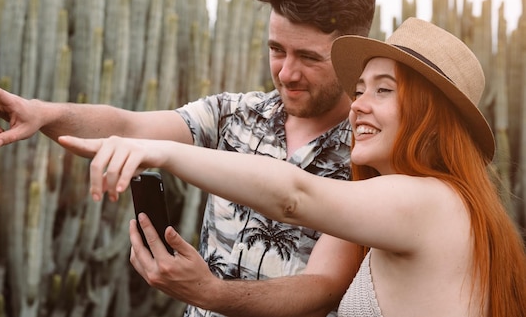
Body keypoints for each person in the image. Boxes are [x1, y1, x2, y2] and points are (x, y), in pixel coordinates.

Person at [0, 0, 376, 316]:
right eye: (276, 50)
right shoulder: (233, 113)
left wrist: (209, 293)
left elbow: (323, 289)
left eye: (307, 57)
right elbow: (130, 127)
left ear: (351, 56)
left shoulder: (369, 153)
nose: (286, 73)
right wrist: (43, 113)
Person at [59, 17, 526, 317]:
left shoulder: (428, 200)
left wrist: (162, 152)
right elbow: (320, 271)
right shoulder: (412, 201)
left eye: (384, 90)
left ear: (432, 116)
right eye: (360, 90)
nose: (359, 105)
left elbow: (294, 196)